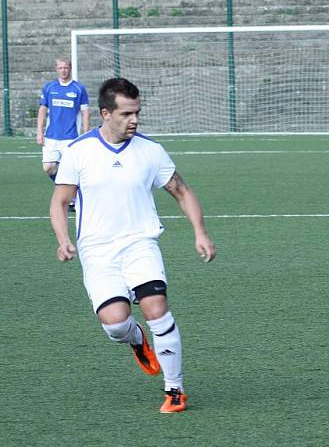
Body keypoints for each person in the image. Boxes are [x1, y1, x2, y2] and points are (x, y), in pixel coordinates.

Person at [49, 77, 216, 413]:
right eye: (126, 114)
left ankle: (175, 389)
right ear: (105, 113)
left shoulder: (150, 151)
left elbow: (181, 190)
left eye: (137, 112)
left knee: (156, 306)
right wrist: (64, 239)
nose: (134, 120)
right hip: (97, 250)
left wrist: (200, 232)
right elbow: (59, 201)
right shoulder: (78, 151)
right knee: (115, 323)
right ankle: (137, 339)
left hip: (140, 243)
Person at [37, 58, 90, 193]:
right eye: (60, 68)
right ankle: (70, 191)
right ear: (56, 69)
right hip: (51, 136)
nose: (63, 70)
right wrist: (39, 132)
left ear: (70, 68)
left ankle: (72, 196)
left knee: (71, 169)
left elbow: (85, 113)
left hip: (71, 137)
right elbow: (42, 110)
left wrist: (85, 133)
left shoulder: (79, 88)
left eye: (65, 67)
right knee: (48, 167)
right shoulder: (49, 87)